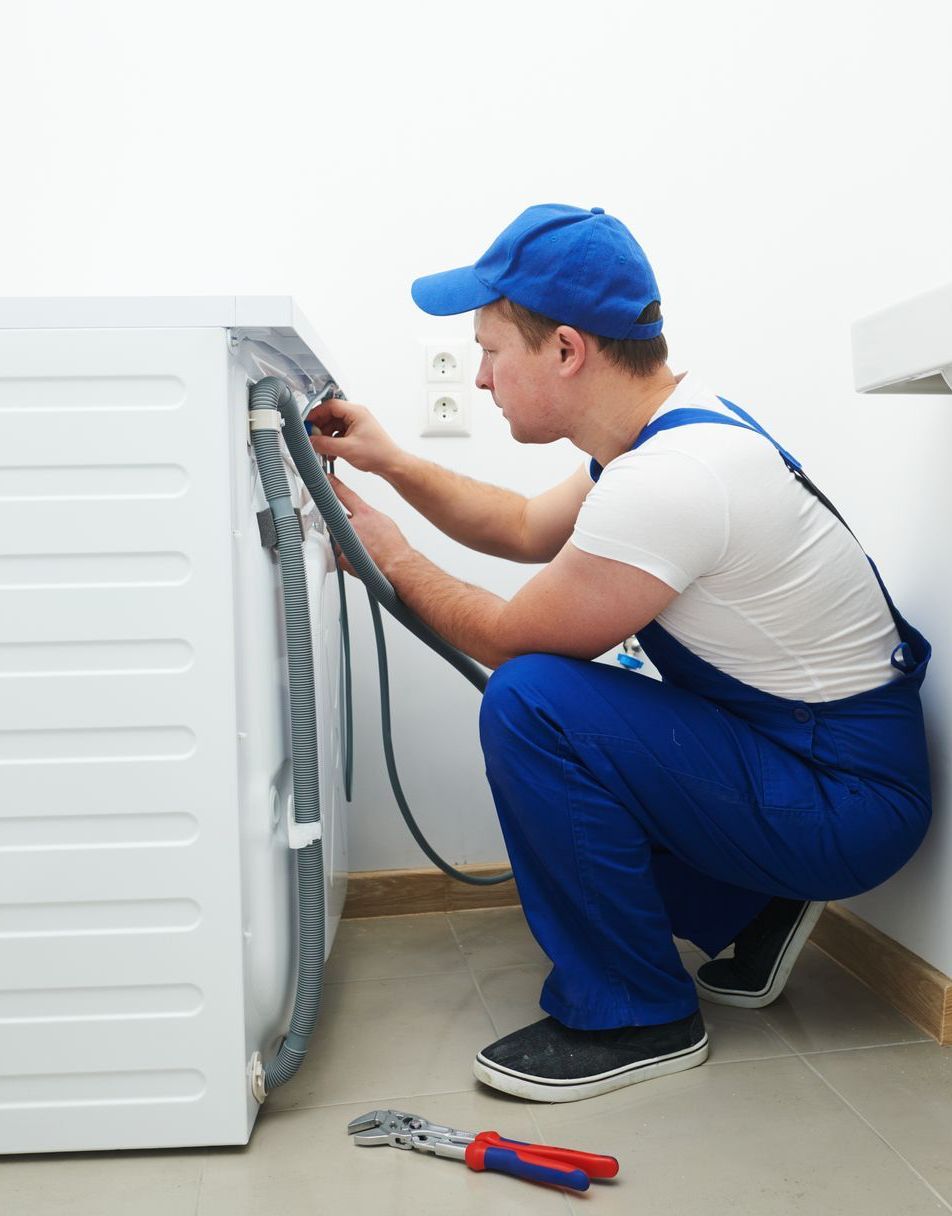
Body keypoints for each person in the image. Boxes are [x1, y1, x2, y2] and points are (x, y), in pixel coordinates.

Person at [306, 203, 932, 1103]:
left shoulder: (677, 479)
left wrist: (390, 557)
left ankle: (638, 1014)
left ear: (566, 350)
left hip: (845, 797)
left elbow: (508, 637)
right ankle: (756, 899)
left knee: (532, 701)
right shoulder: (667, 429)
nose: (480, 379)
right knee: (566, 707)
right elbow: (523, 527)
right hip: (809, 756)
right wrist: (392, 463)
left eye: (491, 351)